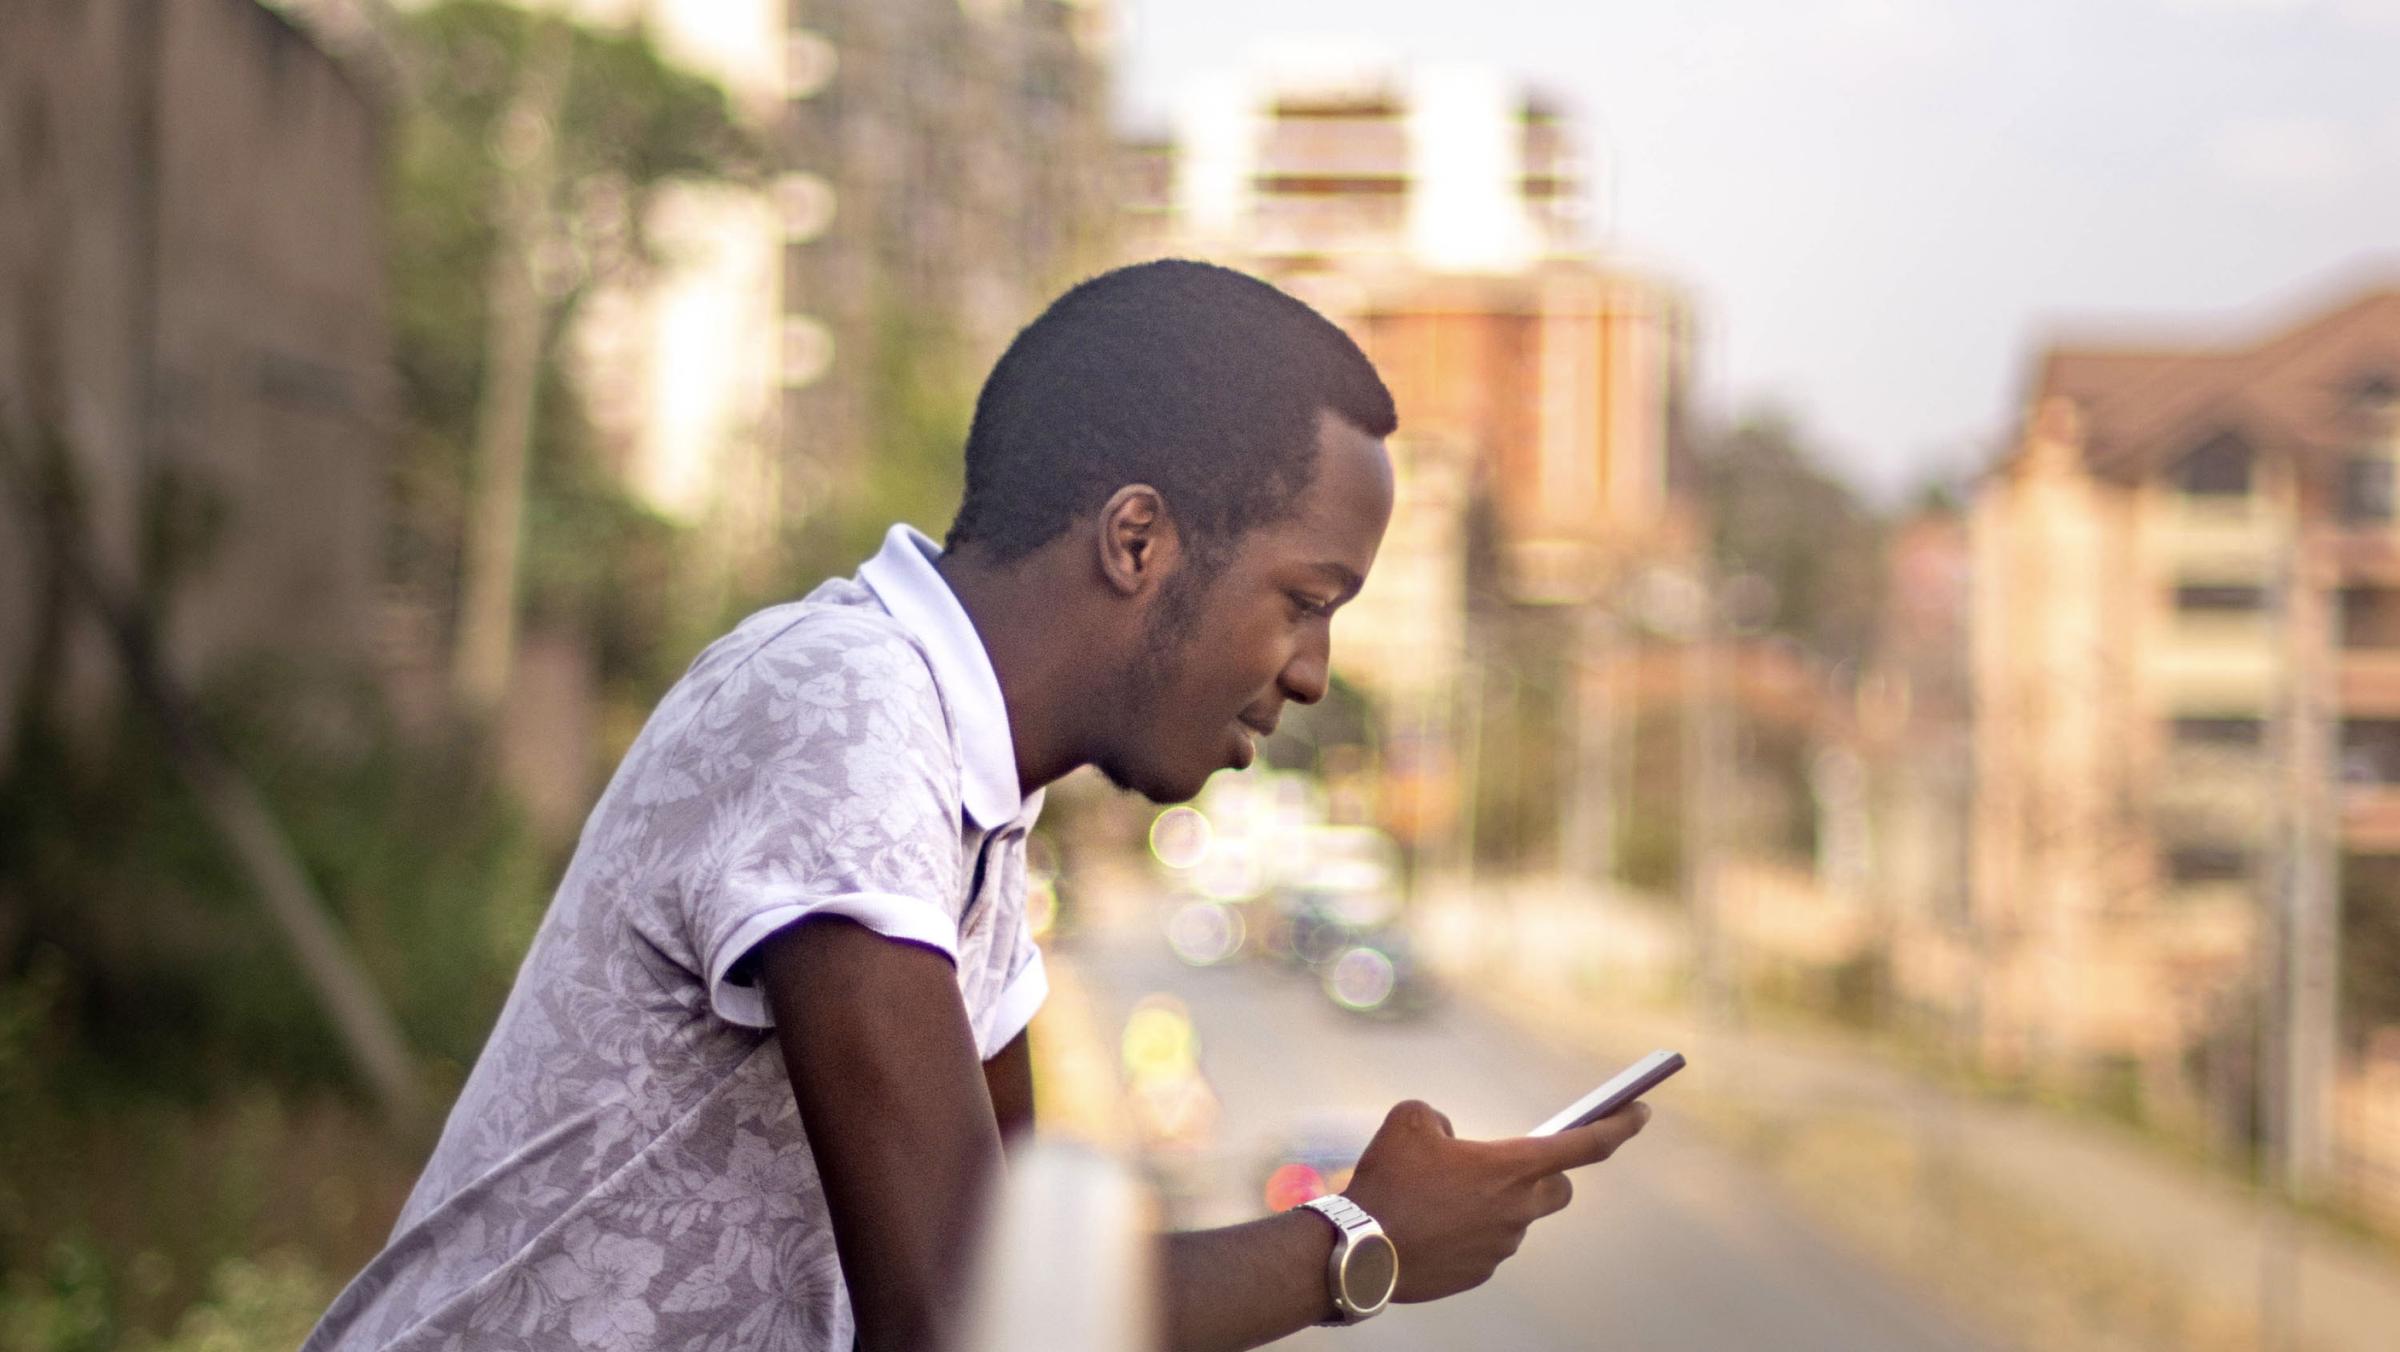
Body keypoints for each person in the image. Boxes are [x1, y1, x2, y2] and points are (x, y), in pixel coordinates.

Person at [304, 259, 1648, 1352]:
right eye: (1304, 602)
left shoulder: (980, 807)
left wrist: (1369, 1230)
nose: (1312, 673)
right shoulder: (843, 706)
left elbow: (1023, 1272)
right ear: (1138, 543)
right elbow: (964, 1321)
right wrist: (1359, 1244)